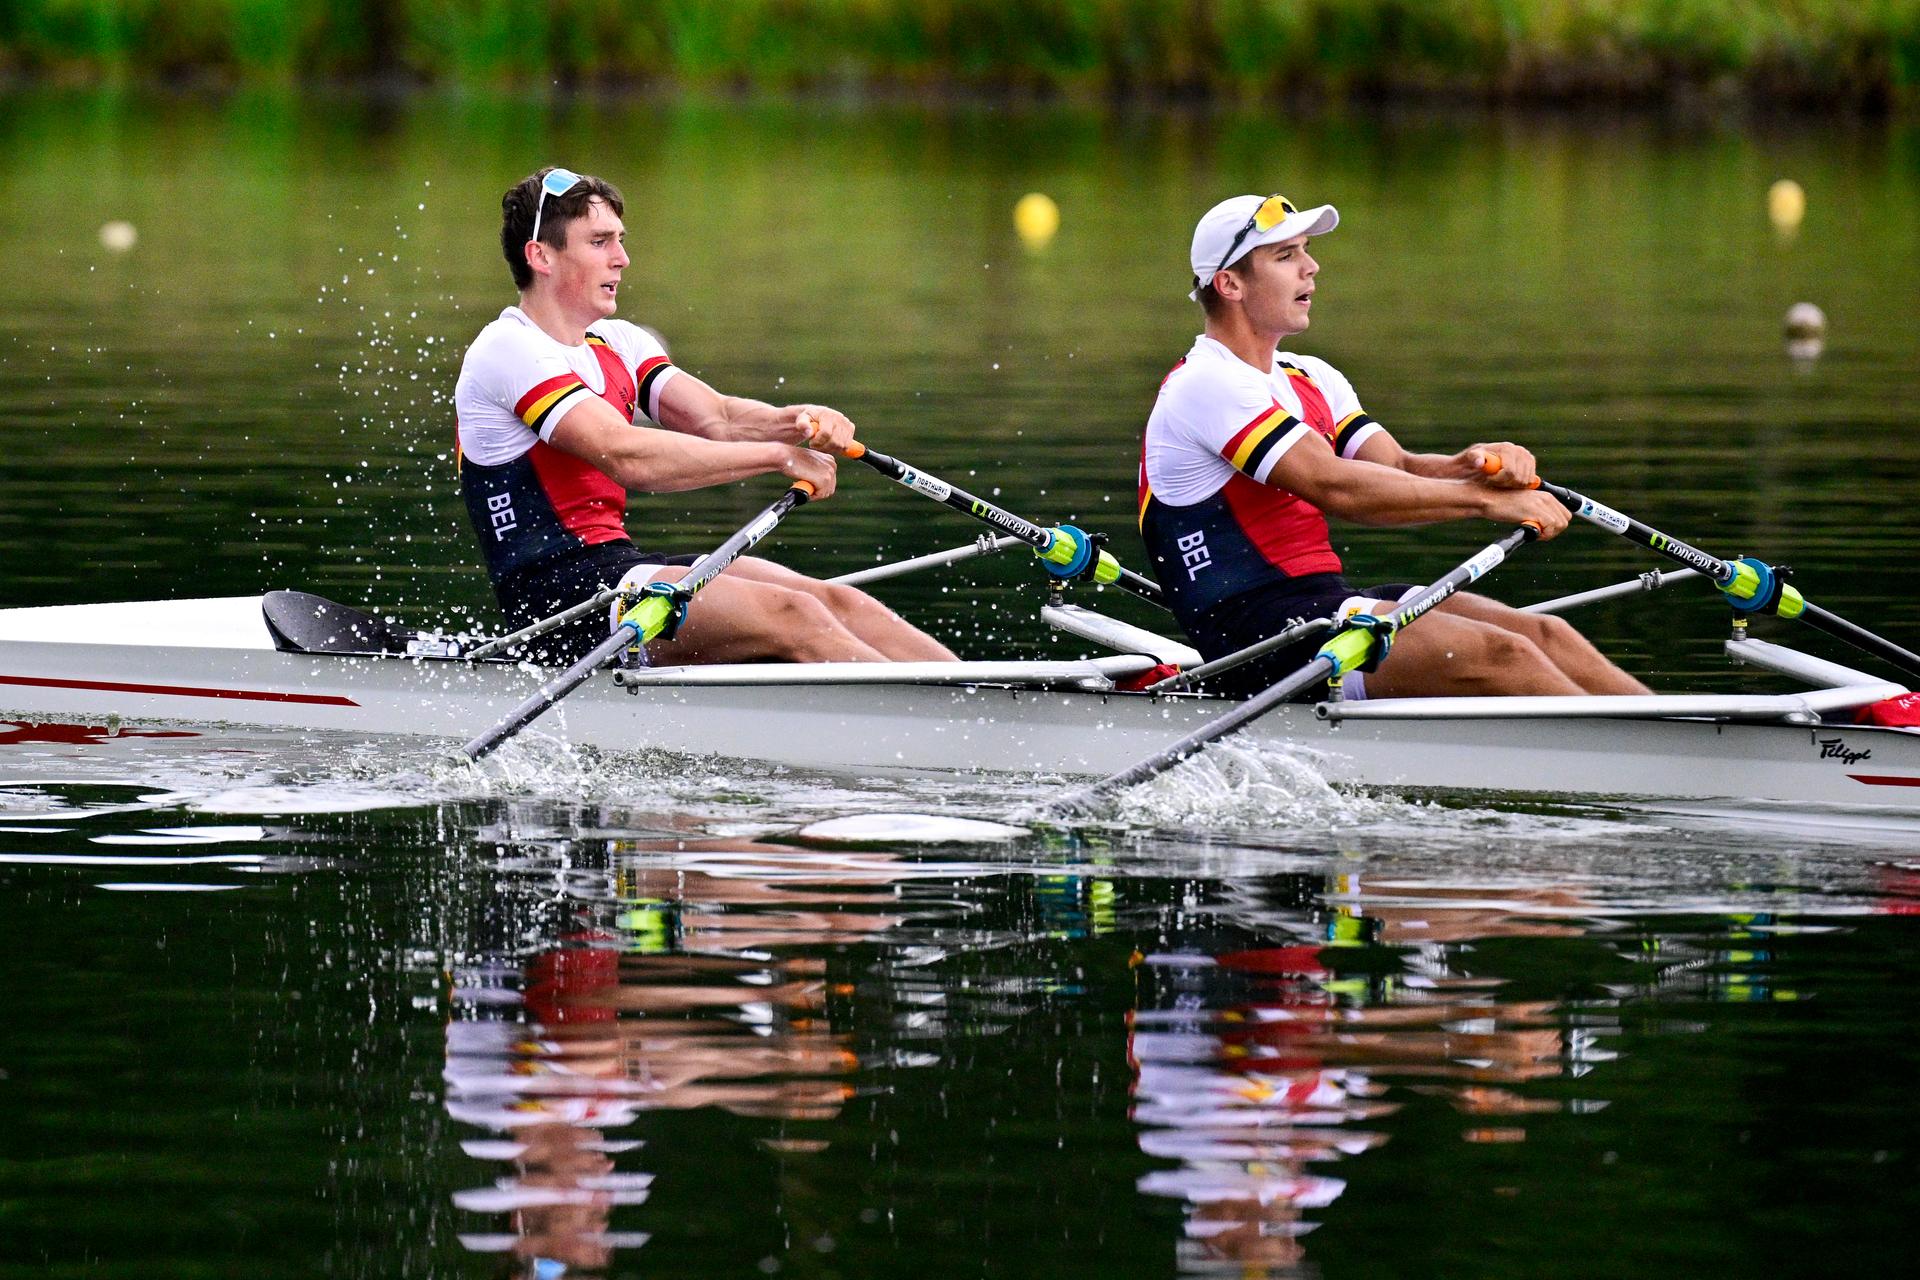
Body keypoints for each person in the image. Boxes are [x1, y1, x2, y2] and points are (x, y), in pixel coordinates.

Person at [1138, 193, 1648, 699]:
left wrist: (1476, 469)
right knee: (1500, 656)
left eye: (1306, 250)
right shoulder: (1204, 384)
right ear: (1229, 283)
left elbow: (1400, 468)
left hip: (1322, 603)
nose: (1311, 268)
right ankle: (1648, 765)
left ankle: (1692, 734)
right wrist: (1488, 502)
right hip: (1254, 635)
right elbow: (1335, 486)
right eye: (1286, 256)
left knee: (1544, 635)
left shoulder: (1312, 376)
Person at [454, 166, 955, 665]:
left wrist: (800, 422)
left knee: (836, 601)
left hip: (621, 569)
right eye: (600, 242)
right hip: (556, 600)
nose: (622, 259)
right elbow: (626, 455)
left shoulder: (620, 342)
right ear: (540, 255)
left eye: (620, 241)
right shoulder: (507, 349)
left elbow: (719, 418)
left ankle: (981, 699)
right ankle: (939, 735)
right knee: (792, 613)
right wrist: (779, 457)